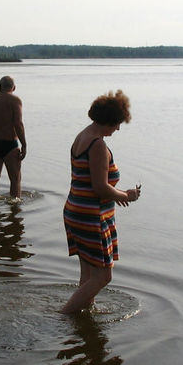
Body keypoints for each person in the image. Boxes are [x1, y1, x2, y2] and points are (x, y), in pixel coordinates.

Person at [61, 90, 140, 314]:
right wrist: (126, 196)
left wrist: (117, 194)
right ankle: (65, 315)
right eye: (117, 123)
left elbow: (93, 183)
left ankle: (84, 317)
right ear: (110, 120)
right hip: (90, 216)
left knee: (87, 275)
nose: (118, 128)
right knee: (104, 276)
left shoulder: (82, 136)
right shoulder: (97, 145)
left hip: (75, 210)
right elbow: (99, 187)